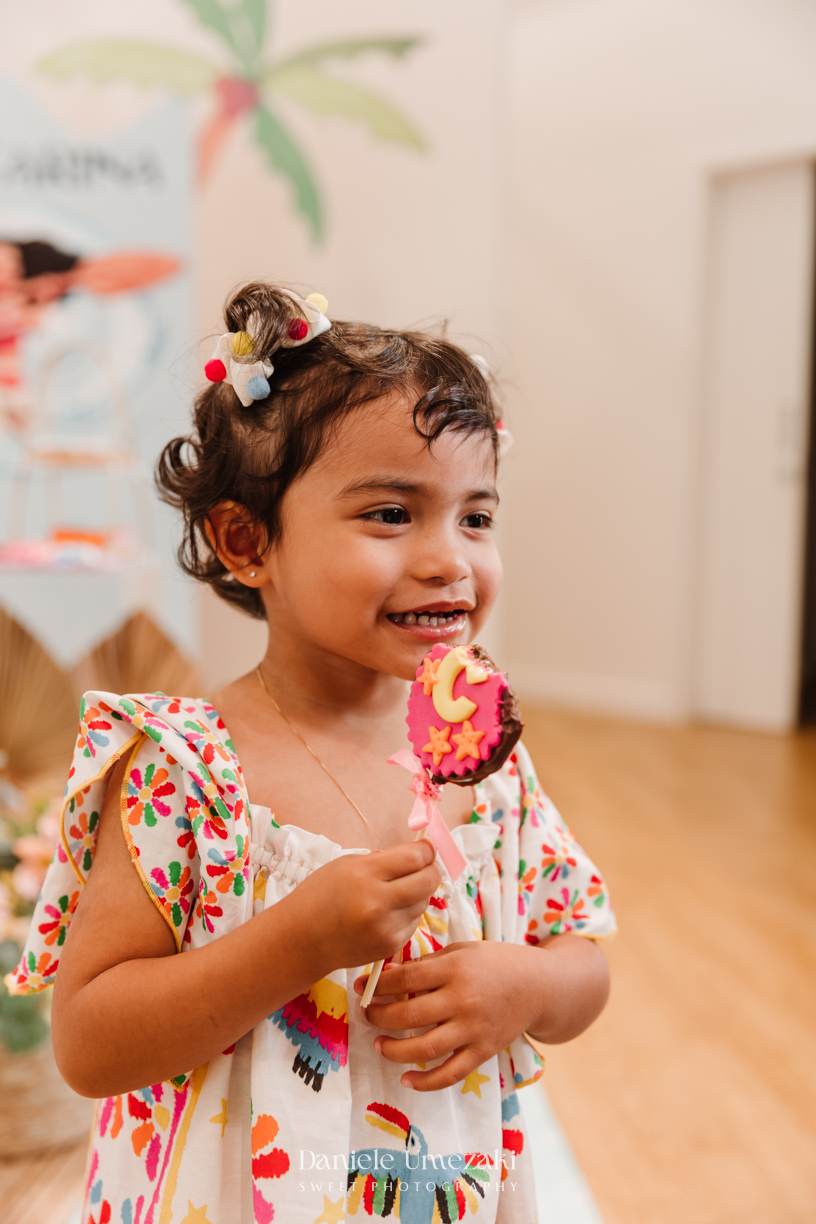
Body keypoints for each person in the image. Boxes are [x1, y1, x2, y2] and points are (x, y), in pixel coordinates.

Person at [9, 282, 615, 1224]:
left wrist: (526, 984)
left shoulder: (487, 767)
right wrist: (298, 941)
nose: (450, 558)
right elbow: (90, 1045)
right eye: (390, 514)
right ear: (247, 541)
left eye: (476, 517)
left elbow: (585, 957)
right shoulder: (183, 771)